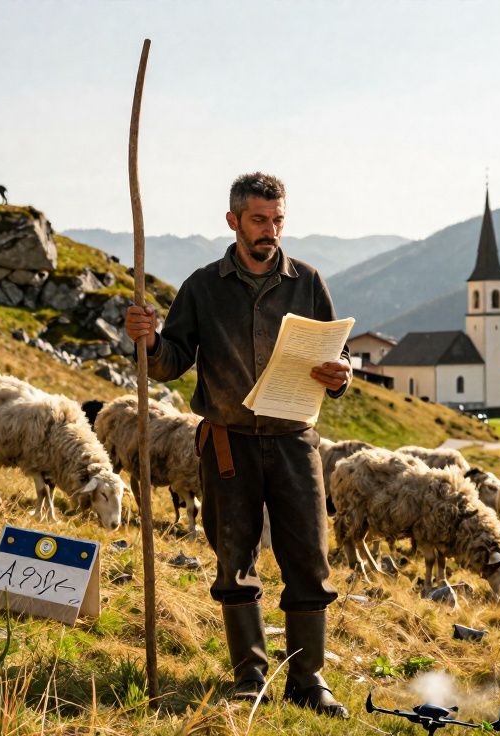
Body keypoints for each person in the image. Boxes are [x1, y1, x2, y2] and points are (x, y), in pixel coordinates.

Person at [125, 172, 352, 718]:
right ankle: (250, 675)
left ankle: (308, 679)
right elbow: (172, 359)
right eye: (258, 220)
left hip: (296, 441)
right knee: (234, 559)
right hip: (228, 444)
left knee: (309, 561)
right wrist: (150, 339)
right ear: (233, 221)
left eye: (277, 220)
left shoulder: (309, 282)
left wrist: (341, 374)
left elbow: (338, 361)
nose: (269, 230)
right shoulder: (203, 286)